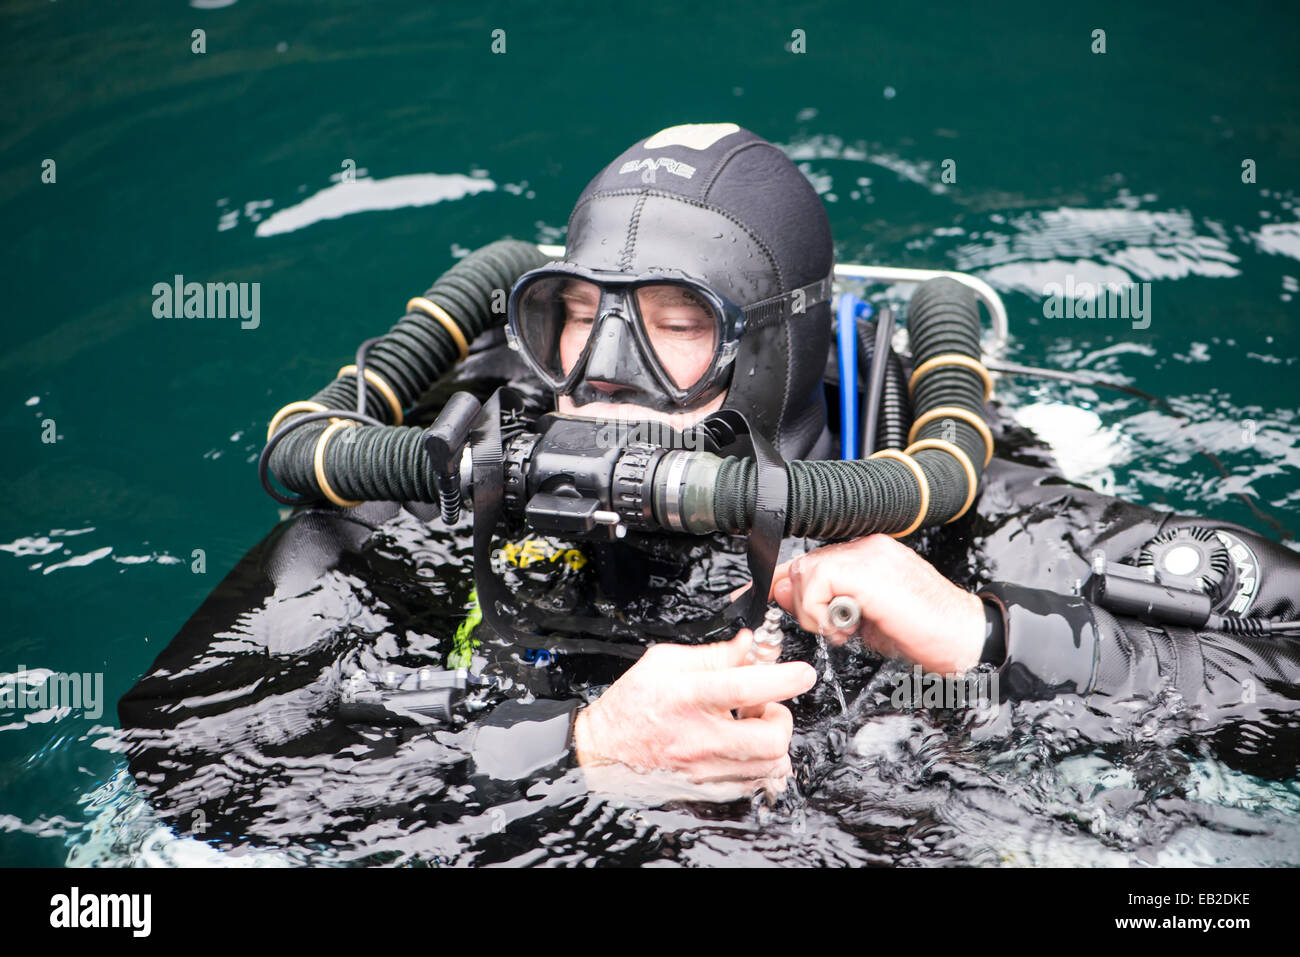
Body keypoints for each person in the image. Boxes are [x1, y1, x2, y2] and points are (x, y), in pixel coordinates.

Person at [121, 125, 1300, 832]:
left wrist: (987, 639)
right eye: (578, 316)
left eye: (678, 325)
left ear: (776, 348)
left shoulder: (961, 514)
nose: (604, 373)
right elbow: (188, 756)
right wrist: (572, 754)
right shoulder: (450, 481)